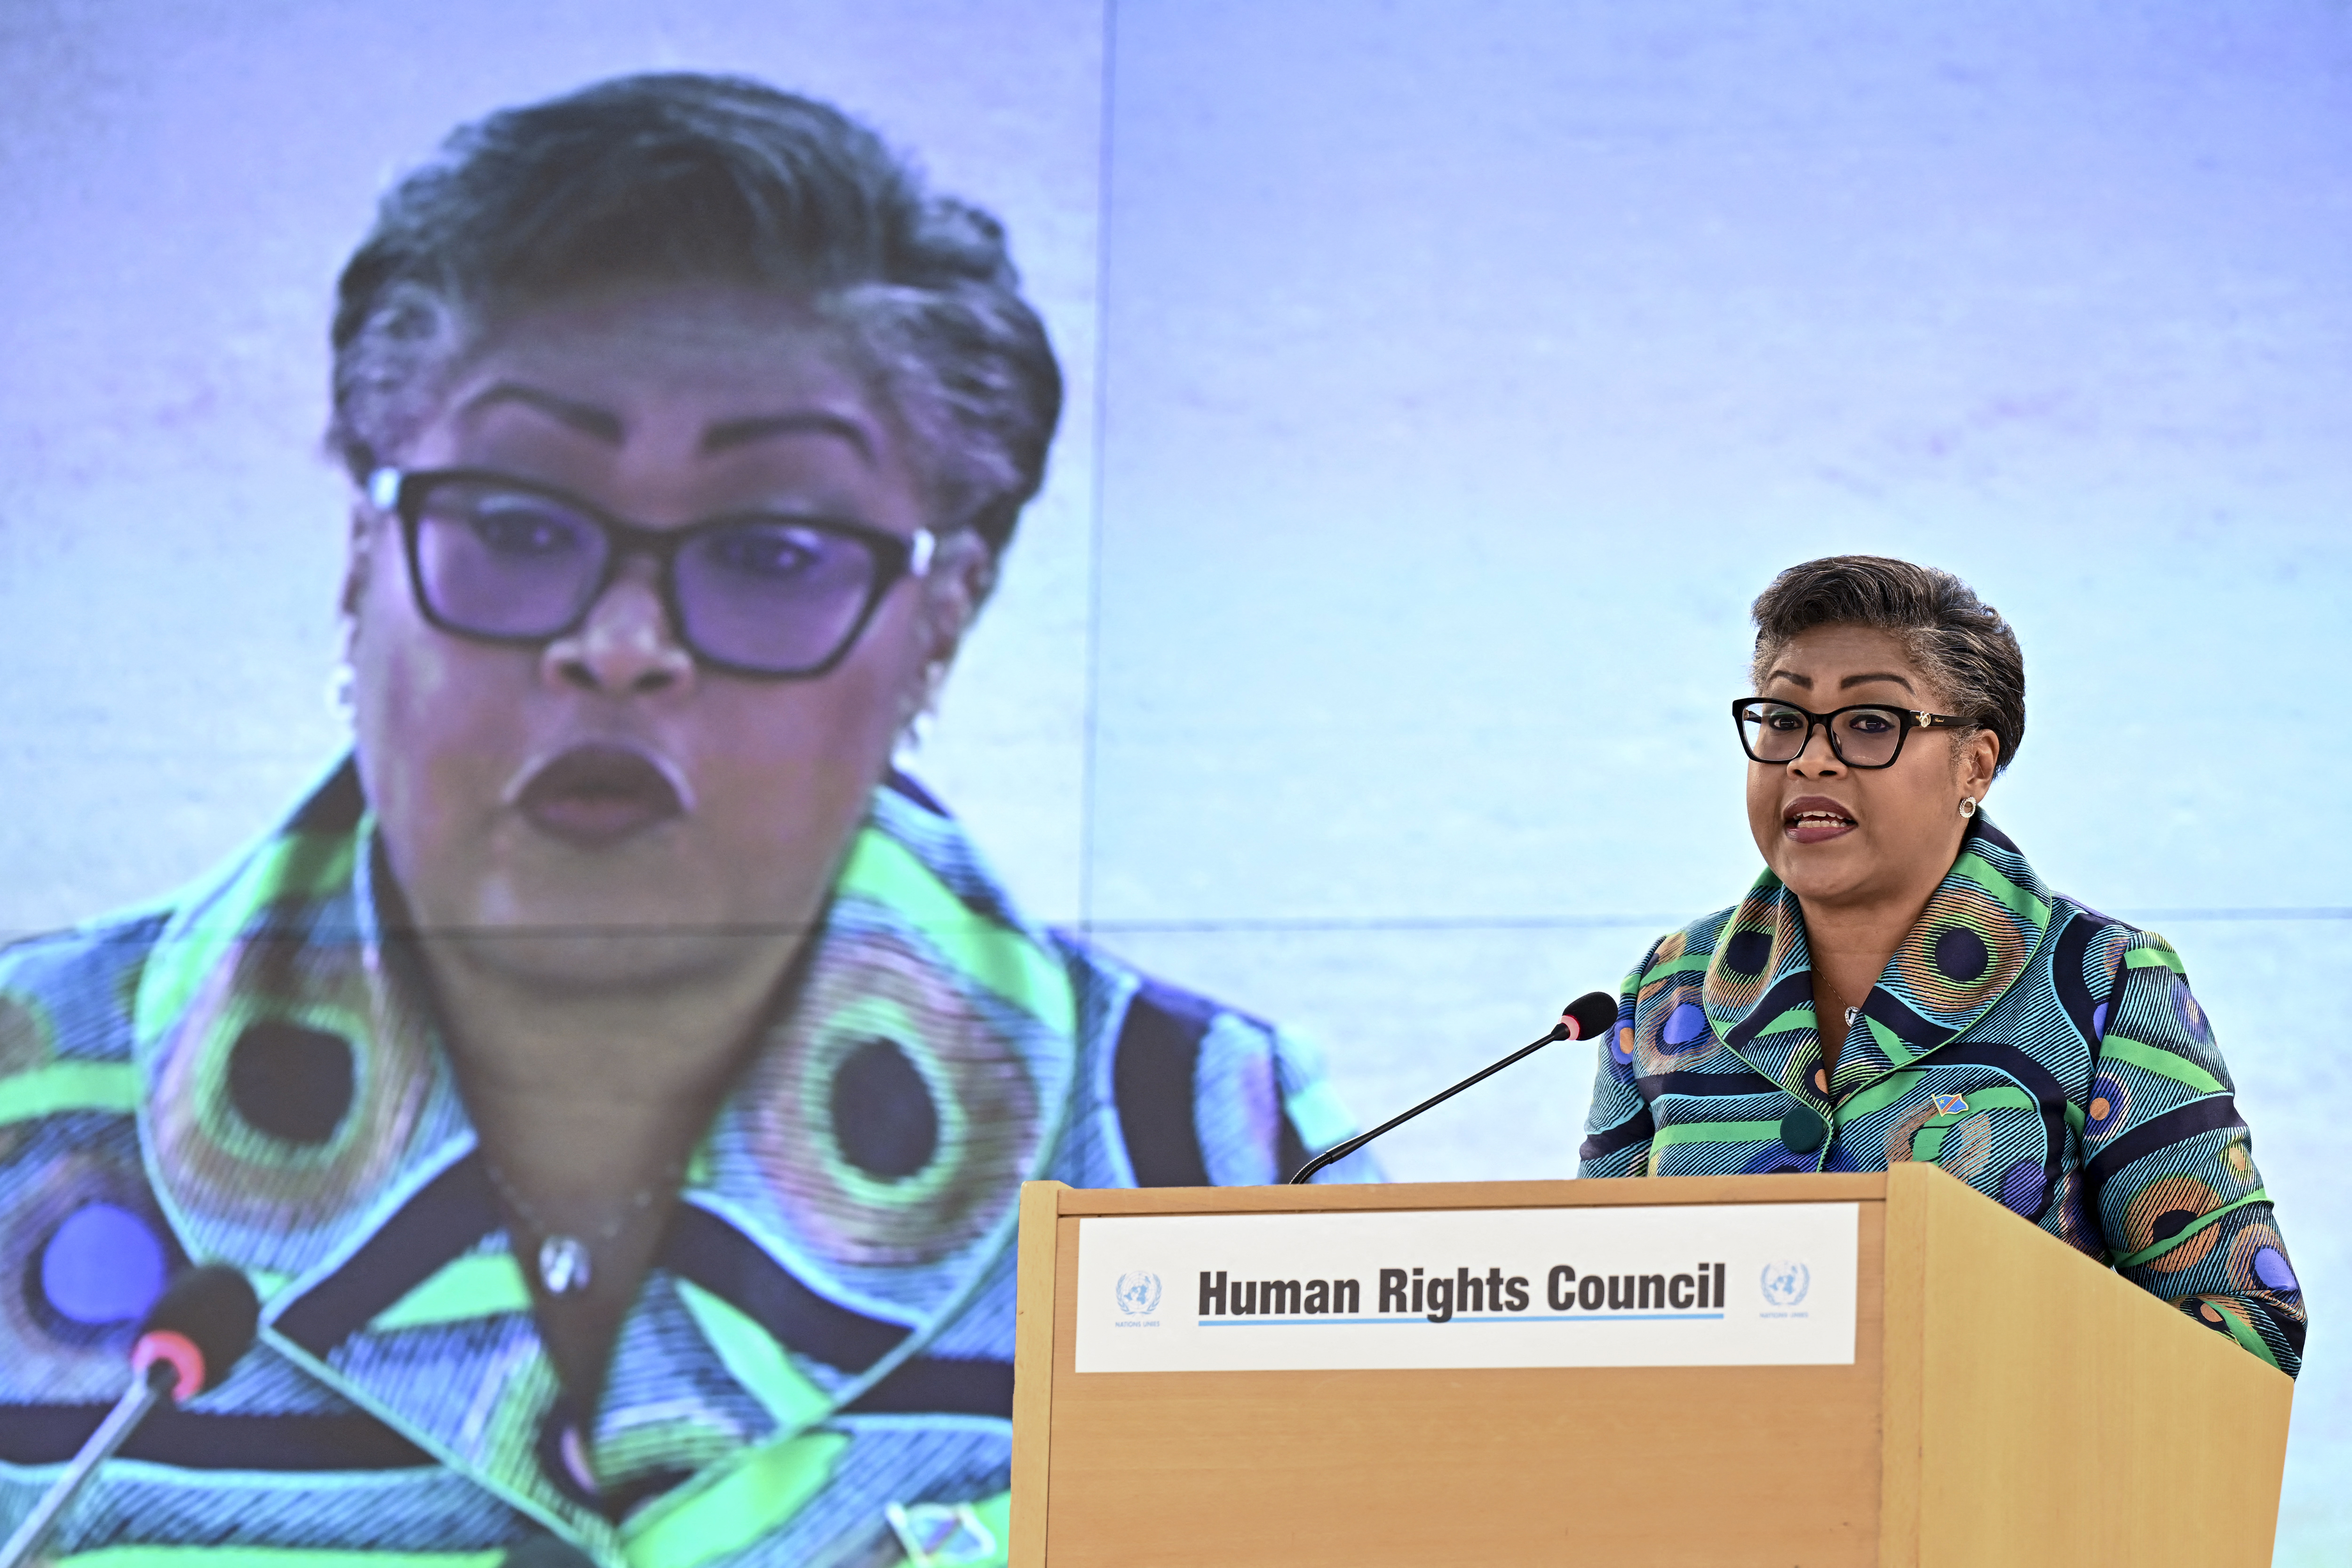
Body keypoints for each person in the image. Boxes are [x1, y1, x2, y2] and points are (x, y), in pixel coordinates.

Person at [0, 74, 1371, 1568]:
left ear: (943, 618)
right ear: (361, 551)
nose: (621, 641)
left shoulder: (1217, 1161)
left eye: (769, 551)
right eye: (518, 524)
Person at [1578, 555, 2303, 1377]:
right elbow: (1592, 1306)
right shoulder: (1670, 988)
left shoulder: (2101, 981)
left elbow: (2250, 1330)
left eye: (1869, 722)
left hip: (2006, 1458)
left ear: (1975, 765)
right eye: (1783, 717)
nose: (1809, 759)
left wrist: (1994, 1372)